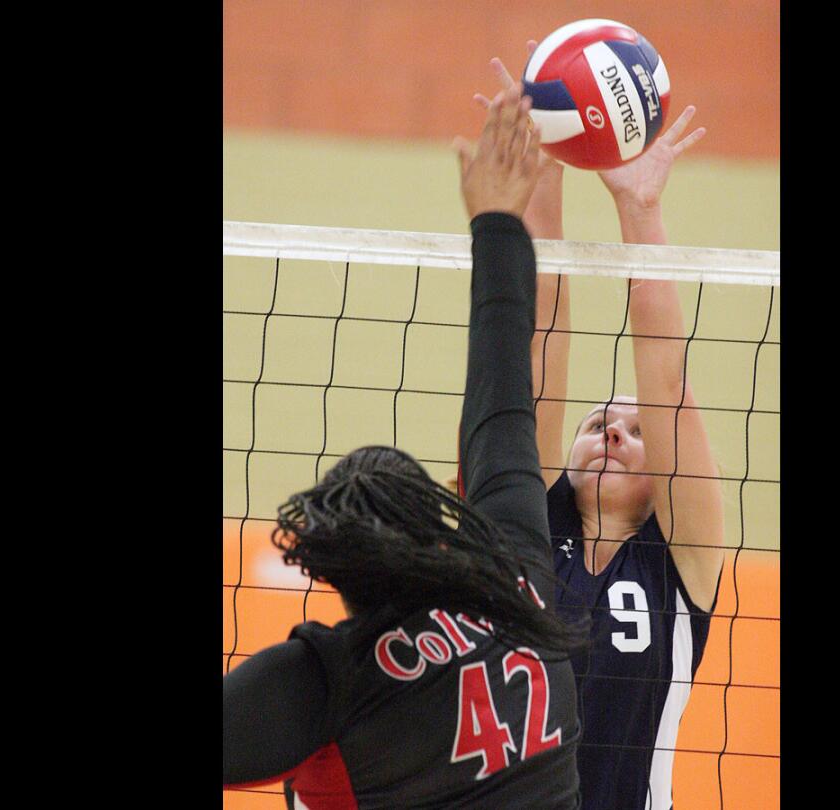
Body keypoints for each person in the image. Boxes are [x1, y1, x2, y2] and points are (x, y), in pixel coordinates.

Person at [223, 85, 589, 809]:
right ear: (439, 534)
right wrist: (497, 220)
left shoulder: (329, 681)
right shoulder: (518, 582)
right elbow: (503, 402)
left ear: (336, 568)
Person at [474, 48, 725, 810]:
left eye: (633, 431)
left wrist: (638, 209)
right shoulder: (525, 528)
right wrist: (542, 181)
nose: (612, 432)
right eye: (595, 424)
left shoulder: (679, 567)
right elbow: (536, 346)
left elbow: (666, 378)